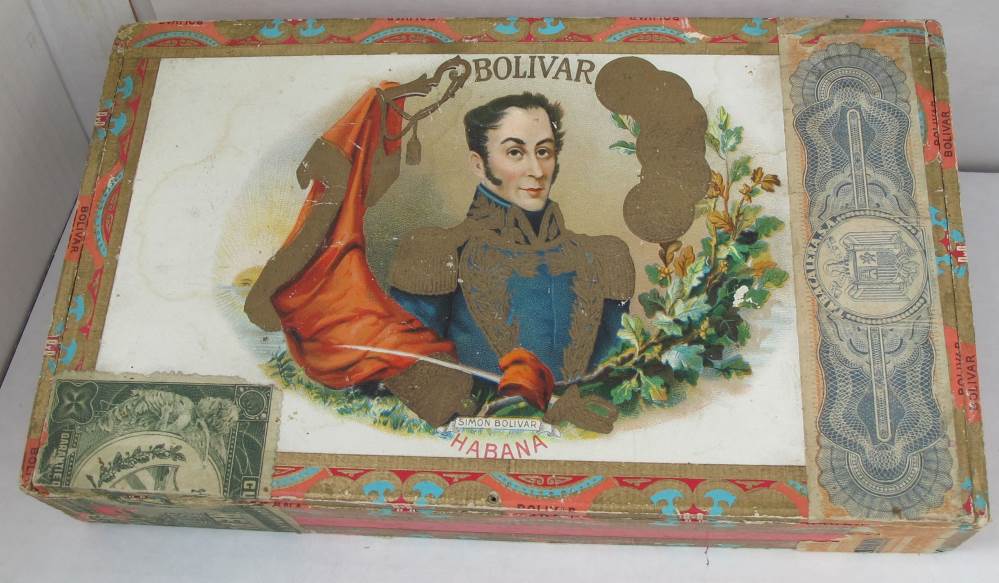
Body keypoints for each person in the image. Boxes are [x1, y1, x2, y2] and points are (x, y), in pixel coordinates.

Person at [387, 92, 635, 429]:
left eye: (543, 151)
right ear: (479, 164)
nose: (536, 170)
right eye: (515, 152)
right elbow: (406, 365)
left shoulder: (604, 256)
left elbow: (617, 374)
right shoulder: (437, 251)